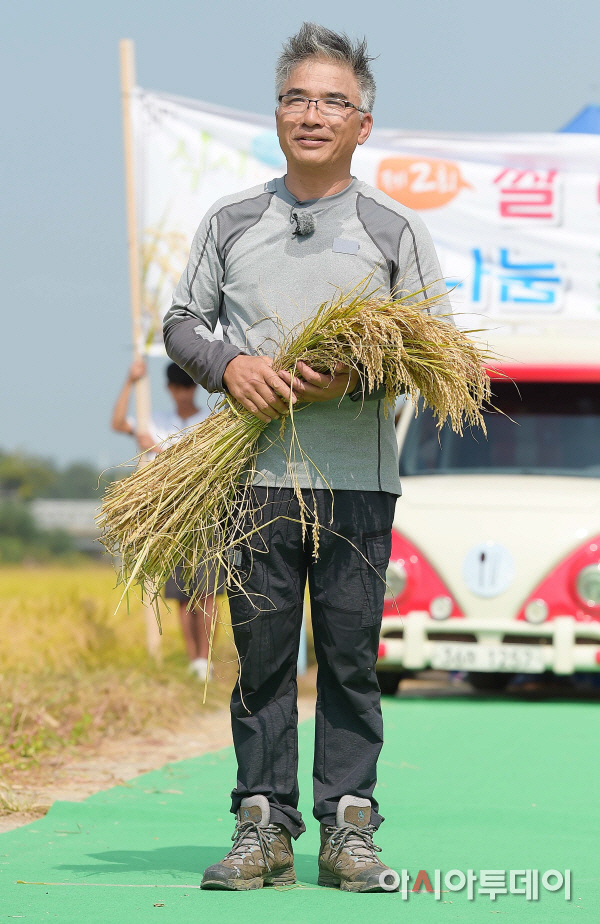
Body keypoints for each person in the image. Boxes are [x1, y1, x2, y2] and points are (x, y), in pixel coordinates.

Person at [163, 22, 452, 892]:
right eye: (296, 97)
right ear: (278, 115)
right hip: (250, 478)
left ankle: (349, 828)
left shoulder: (393, 228)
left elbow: (431, 349)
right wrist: (232, 365)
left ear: (364, 123)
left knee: (352, 659)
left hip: (357, 481)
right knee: (261, 658)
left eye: (333, 100)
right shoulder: (233, 220)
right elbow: (181, 324)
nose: (312, 112)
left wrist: (354, 372)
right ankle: (262, 826)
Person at [111, 358, 218, 680]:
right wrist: (130, 381)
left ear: (195, 387)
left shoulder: (210, 421)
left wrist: (155, 449)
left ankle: (207, 658)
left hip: (204, 512)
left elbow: (199, 463)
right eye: (177, 388)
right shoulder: (154, 419)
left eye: (187, 387)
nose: (183, 394)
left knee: (208, 592)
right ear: (169, 389)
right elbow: (118, 424)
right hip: (168, 519)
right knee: (183, 595)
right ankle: (194, 661)